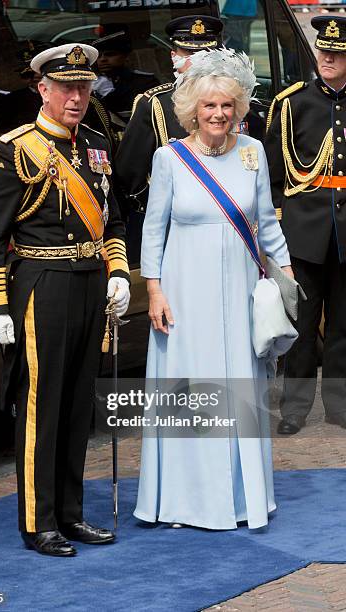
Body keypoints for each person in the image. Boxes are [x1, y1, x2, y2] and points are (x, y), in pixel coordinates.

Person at [0, 43, 130, 556]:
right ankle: (37, 521)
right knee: (41, 404)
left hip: (89, 283)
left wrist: (118, 270)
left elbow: (113, 218)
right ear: (42, 89)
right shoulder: (15, 149)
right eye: (66, 87)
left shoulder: (93, 141)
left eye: (83, 87)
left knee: (77, 404)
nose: (76, 96)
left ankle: (70, 512)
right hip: (41, 284)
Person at [134, 48, 293, 530]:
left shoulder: (253, 153)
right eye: (209, 107)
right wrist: (154, 291)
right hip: (184, 296)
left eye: (227, 105)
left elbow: (266, 224)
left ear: (239, 108)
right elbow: (153, 230)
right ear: (192, 111)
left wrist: (286, 278)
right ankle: (186, 503)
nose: (219, 114)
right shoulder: (170, 157)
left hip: (241, 293)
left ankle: (244, 501)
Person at [264, 15, 346, 435]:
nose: (328, 58)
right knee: (300, 323)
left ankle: (338, 405)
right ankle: (295, 407)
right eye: (323, 52)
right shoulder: (291, 103)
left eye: (337, 53)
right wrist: (277, 233)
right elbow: (274, 176)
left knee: (342, 324)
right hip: (305, 227)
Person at [115, 15, 224, 213]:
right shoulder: (154, 104)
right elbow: (130, 174)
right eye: (189, 53)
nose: (198, 61)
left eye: (206, 53)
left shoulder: (236, 101)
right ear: (174, 56)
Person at [92, 27, 159, 123]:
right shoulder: (91, 84)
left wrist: (108, 96)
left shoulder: (145, 82)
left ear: (125, 57)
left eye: (110, 54)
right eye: (99, 56)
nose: (102, 59)